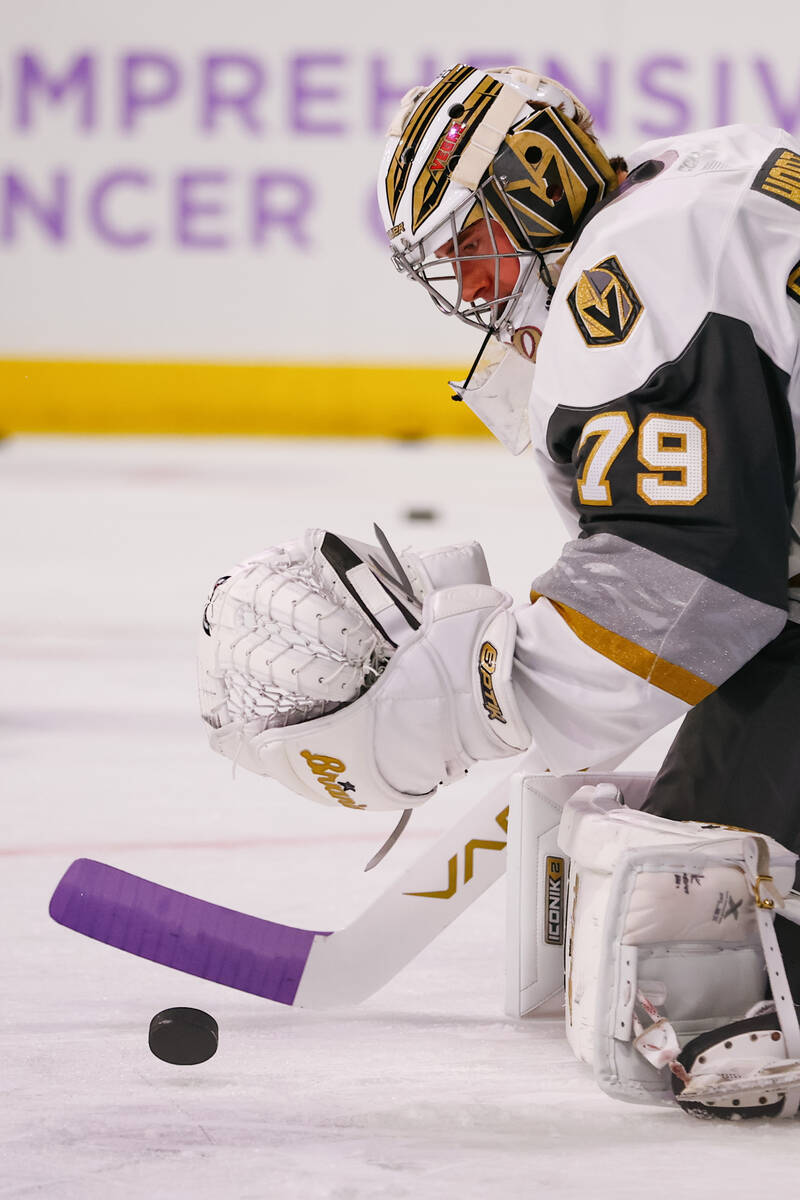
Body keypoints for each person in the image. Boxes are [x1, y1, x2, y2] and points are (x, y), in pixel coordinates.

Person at [200, 62, 800, 874]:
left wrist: (475, 697)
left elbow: (693, 579)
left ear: (537, 186)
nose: (476, 286)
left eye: (472, 242)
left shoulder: (630, 276)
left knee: (703, 917)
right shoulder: (706, 167)